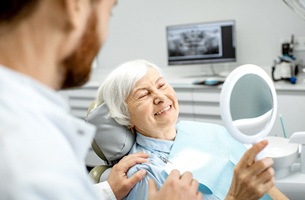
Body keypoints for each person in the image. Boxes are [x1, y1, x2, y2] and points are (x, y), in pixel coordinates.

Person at [0, 1, 202, 200]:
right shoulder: (23, 149)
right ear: (75, 6)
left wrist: (106, 192)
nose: (104, 33)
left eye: (160, 85)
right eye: (110, 11)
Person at [95, 59, 287, 200]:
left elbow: (267, 187)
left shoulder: (209, 130)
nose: (160, 96)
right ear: (126, 117)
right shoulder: (142, 174)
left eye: (161, 84)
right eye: (143, 95)